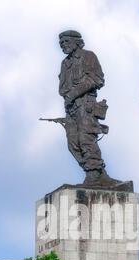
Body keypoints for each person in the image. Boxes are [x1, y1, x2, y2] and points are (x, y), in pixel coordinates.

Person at [59, 30, 114, 184]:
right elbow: (62, 88)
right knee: (72, 143)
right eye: (61, 43)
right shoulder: (65, 63)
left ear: (76, 42)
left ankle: (94, 174)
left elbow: (97, 79)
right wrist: (68, 97)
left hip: (86, 104)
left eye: (66, 42)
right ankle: (98, 172)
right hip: (71, 108)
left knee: (86, 139)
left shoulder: (88, 56)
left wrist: (75, 93)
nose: (63, 45)